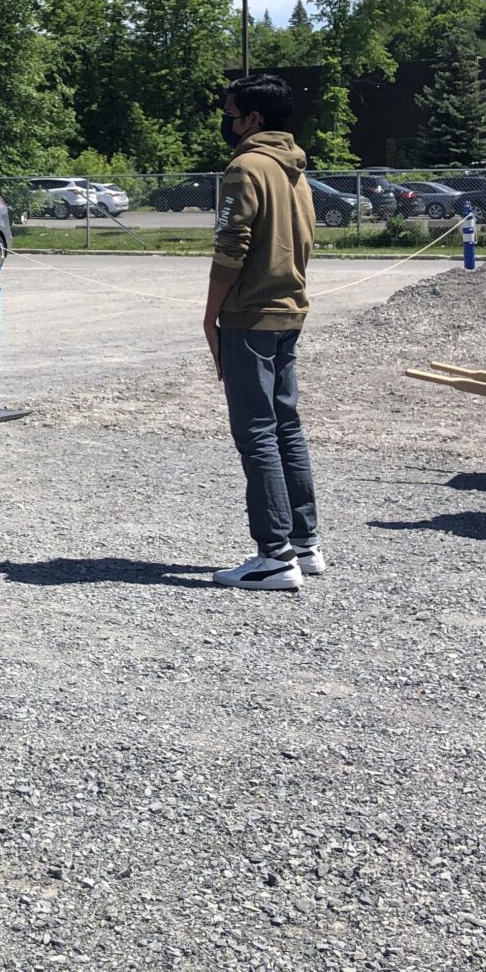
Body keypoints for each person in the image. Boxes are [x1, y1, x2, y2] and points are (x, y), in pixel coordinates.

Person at [203, 74, 320, 591]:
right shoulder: (295, 169)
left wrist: (211, 314)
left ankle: (274, 556)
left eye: (231, 113)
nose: (226, 122)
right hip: (290, 309)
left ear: (252, 120)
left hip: (250, 314)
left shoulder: (245, 167)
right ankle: (304, 543)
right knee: (286, 426)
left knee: (256, 432)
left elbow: (233, 244)